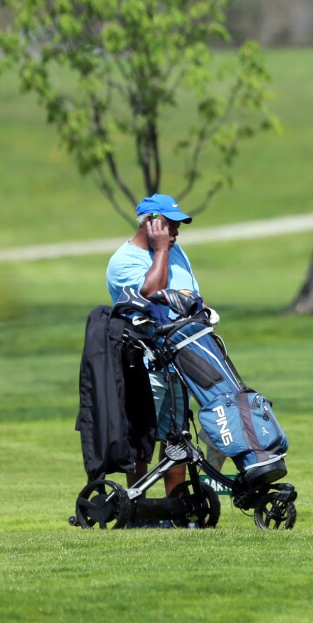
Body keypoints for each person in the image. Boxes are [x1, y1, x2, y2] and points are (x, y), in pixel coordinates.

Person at [106, 193, 199, 503]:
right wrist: (160, 250)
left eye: (177, 227)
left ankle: (177, 509)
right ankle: (139, 508)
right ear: (150, 223)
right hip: (145, 360)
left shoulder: (175, 251)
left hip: (180, 356)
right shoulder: (124, 261)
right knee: (142, 436)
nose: (175, 233)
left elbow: (189, 294)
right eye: (169, 226)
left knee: (177, 436)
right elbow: (151, 292)